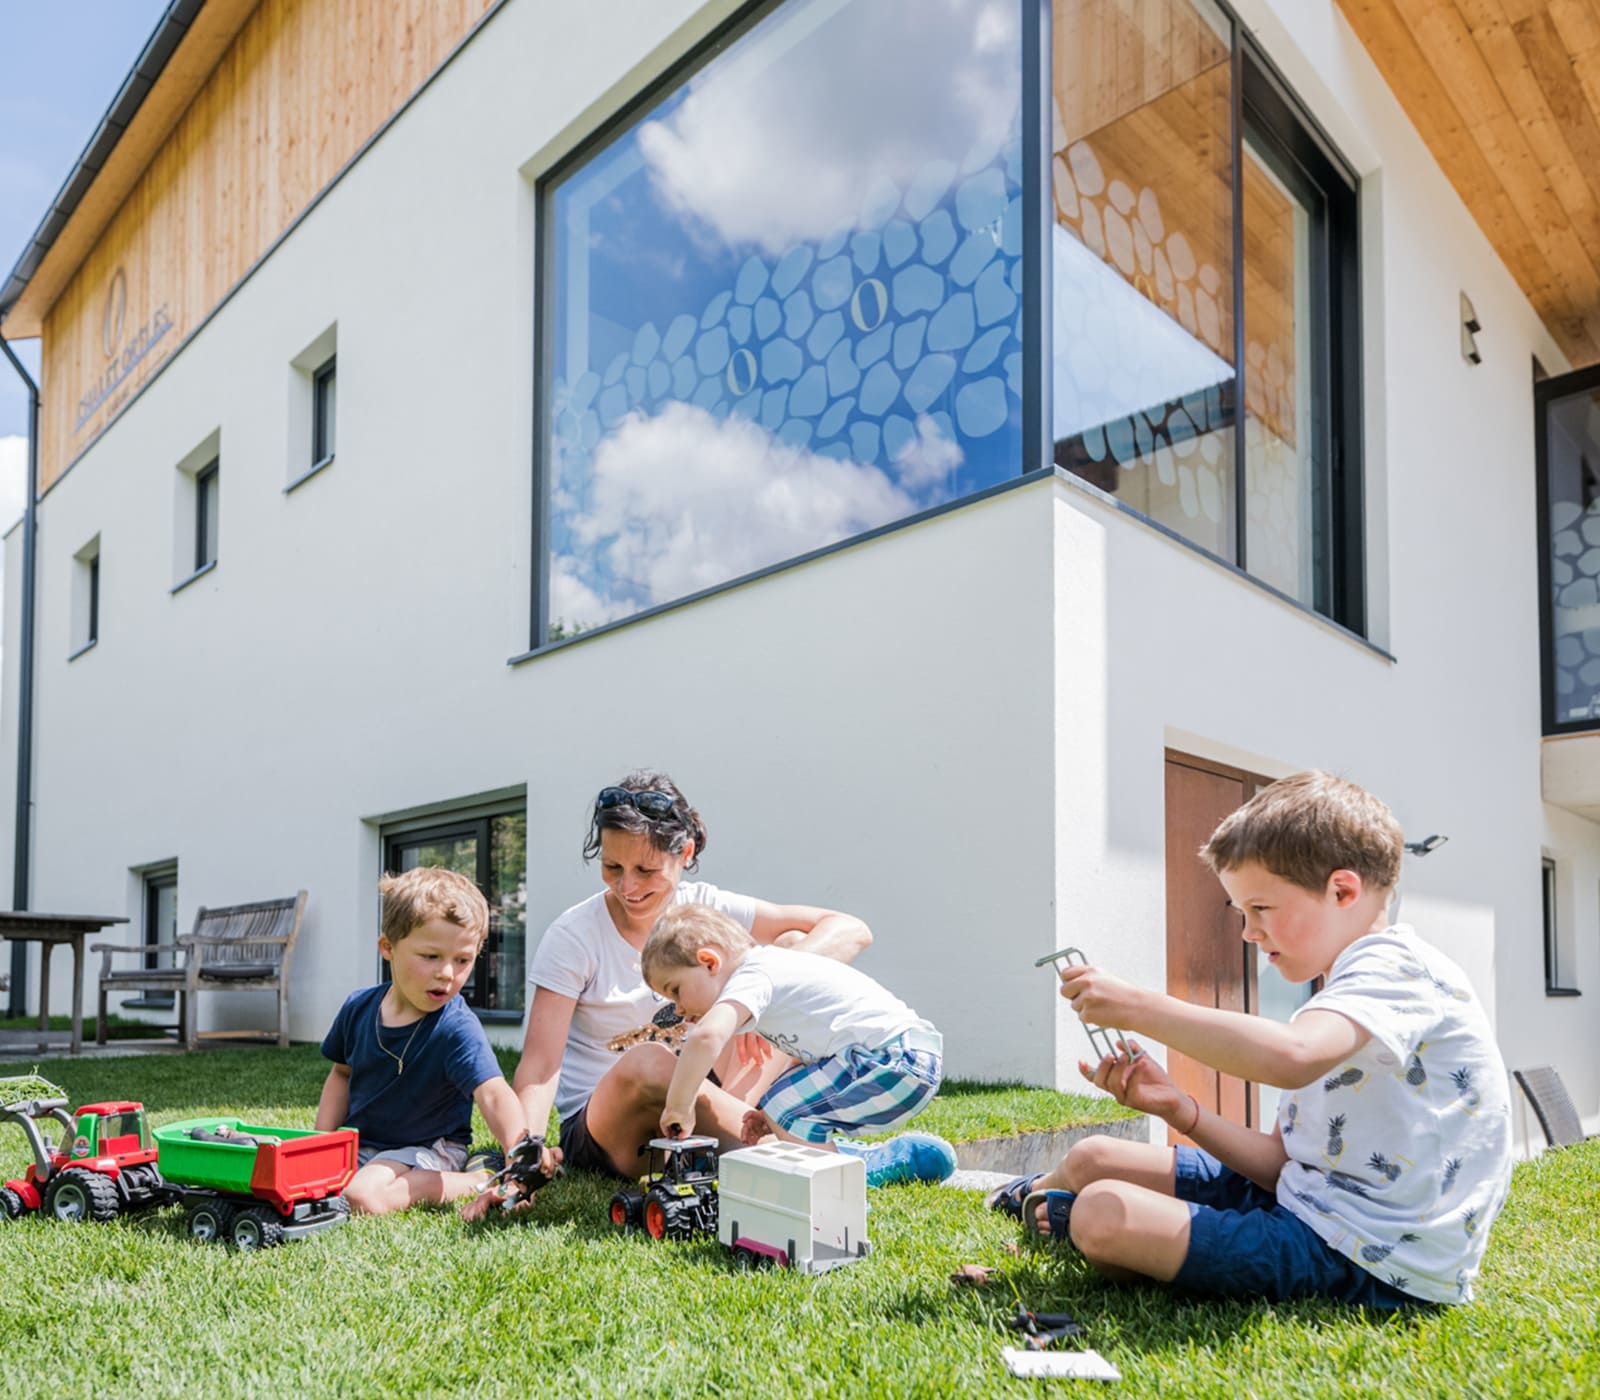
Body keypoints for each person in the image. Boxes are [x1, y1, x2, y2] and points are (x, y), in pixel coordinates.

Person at [990, 771, 1512, 1309]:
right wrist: (1177, 1107)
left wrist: (1139, 1006)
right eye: (1242, 913)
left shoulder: (1394, 969)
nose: (1248, 932)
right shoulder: (1343, 995)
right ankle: (1033, 1198)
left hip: (1366, 1258)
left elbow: (1292, 1057)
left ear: (1342, 890)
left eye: (1261, 909)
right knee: (1093, 1156)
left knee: (1105, 1212)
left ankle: (1063, 1216)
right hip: (1303, 1201)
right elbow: (1280, 1164)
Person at [478, 772, 955, 1206]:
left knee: (785, 947)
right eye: (612, 867)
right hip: (609, 1126)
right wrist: (525, 1153)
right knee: (650, 1059)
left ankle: (787, 1146)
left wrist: (754, 996)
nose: (627, 886)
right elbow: (540, 1065)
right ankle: (824, 1160)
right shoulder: (573, 935)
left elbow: (851, 929)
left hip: (697, 1097)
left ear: (684, 855)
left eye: (646, 871)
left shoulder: (706, 908)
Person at [642, 903, 946, 1165]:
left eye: (676, 991)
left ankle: (834, 1201)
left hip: (891, 1058)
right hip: (906, 1055)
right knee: (783, 1104)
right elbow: (814, 1062)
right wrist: (772, 1117)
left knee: (783, 1106)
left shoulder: (754, 975)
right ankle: (844, 1171)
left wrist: (679, 1106)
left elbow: (706, 1037)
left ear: (709, 962)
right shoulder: (772, 971)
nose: (679, 1010)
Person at [317, 867, 531, 1215]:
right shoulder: (358, 1008)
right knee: (310, 1183)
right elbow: (341, 1074)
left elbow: (493, 1092)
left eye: (462, 960)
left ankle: (484, 1175)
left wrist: (520, 1157)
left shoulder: (455, 1026)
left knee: (361, 1197)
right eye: (431, 956)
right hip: (367, 1145)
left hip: (431, 1147)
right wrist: (321, 1144)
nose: (447, 972)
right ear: (388, 947)